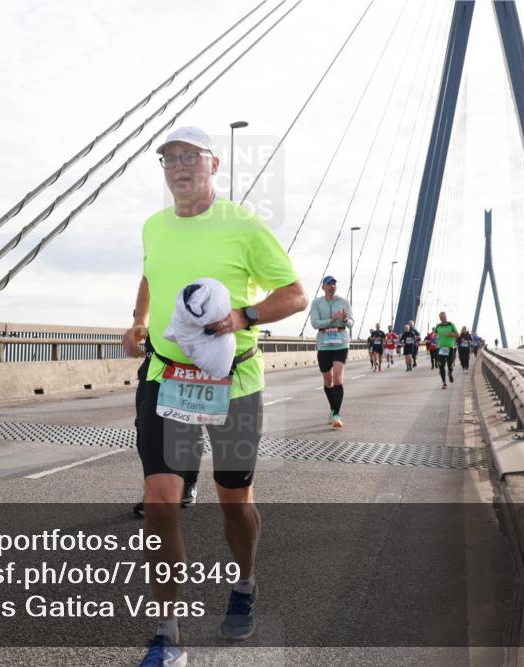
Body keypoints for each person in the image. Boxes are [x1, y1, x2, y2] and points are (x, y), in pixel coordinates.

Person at [124, 126, 306, 666]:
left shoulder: (244, 225)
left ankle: (245, 582)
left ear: (214, 164)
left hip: (234, 384)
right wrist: (137, 320)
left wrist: (243, 316)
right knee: (160, 499)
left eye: (190, 157)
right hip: (165, 376)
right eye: (169, 158)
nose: (179, 166)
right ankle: (166, 634)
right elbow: (152, 277)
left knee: (234, 500)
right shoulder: (154, 226)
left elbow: (293, 294)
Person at [126, 330, 200, 518]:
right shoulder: (153, 299)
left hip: (185, 365)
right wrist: (139, 323)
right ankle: (154, 490)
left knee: (189, 428)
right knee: (144, 431)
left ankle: (188, 484)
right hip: (153, 365)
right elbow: (143, 308)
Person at [309, 275, 353, 428]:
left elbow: (352, 323)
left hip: (341, 343)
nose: (332, 286)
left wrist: (346, 320)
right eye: (329, 284)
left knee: (338, 378)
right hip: (324, 345)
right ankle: (333, 408)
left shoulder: (344, 302)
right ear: (323, 287)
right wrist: (331, 321)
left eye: (334, 283)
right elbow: (315, 324)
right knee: (328, 382)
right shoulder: (316, 303)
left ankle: (336, 415)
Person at [435, 312, 459, 389]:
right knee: (441, 366)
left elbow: (457, 335)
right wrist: (435, 339)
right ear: (439, 318)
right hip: (441, 348)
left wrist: (450, 334)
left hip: (450, 347)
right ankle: (444, 383)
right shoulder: (438, 326)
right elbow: (435, 335)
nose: (443, 318)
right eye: (441, 317)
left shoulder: (451, 324)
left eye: (444, 316)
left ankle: (450, 372)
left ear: (446, 316)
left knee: (450, 364)